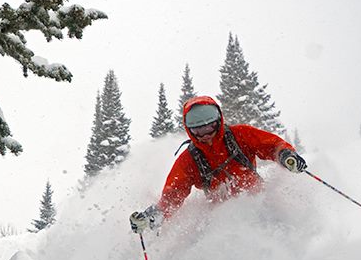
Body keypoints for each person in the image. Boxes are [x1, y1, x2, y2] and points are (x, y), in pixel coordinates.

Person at [130, 95, 306, 232]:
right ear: (189, 130)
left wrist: (285, 156)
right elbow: (173, 196)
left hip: (260, 201)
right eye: (198, 130)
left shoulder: (240, 135)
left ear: (218, 121)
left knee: (279, 225)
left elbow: (270, 145)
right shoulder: (189, 160)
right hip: (223, 216)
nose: (205, 134)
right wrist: (152, 216)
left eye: (209, 127)